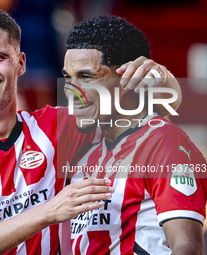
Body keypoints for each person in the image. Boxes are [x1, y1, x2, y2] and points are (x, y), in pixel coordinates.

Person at [0, 9, 184, 255]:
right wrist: (48, 212)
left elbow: (158, 112)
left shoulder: (56, 126)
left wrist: (161, 77)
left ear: (20, 63)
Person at [63, 16, 207, 254]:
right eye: (68, 77)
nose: (71, 91)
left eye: (86, 77)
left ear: (127, 78)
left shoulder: (165, 143)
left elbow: (188, 248)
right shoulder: (85, 145)